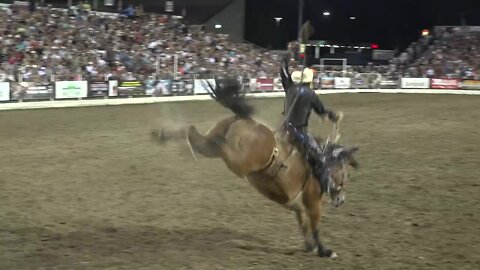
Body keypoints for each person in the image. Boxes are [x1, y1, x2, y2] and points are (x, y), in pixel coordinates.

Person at [279, 54, 342, 183]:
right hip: (298, 132)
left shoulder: (290, 88)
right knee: (319, 155)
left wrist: (285, 60)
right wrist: (333, 116)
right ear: (310, 81)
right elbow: (322, 110)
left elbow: (283, 73)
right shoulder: (310, 94)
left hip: (284, 129)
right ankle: (320, 181)